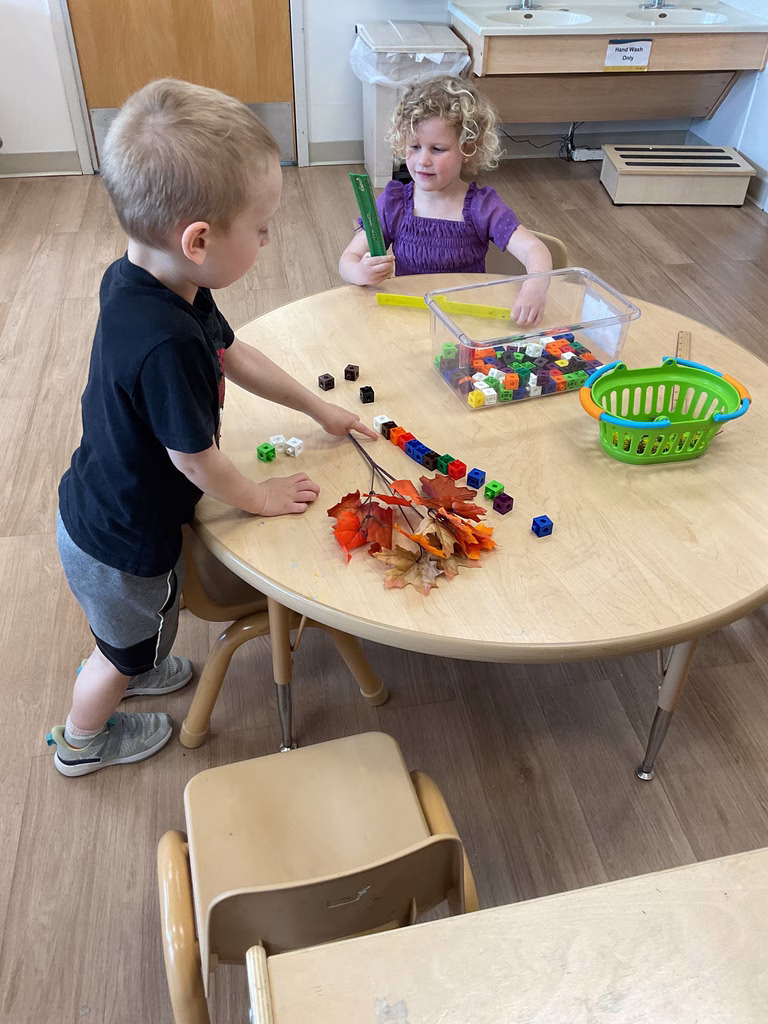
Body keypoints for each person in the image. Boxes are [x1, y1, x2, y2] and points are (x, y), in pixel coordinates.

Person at [47, 79, 377, 777]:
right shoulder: (166, 343)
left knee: (135, 637)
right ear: (197, 239)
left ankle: (140, 659)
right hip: (121, 543)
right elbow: (196, 461)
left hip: (100, 506)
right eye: (262, 228)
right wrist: (260, 497)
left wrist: (316, 407)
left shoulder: (149, 278)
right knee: (117, 653)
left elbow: (231, 351)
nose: (268, 238)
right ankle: (82, 740)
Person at [339, 75, 553, 325]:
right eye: (414, 146)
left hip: (465, 321)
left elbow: (534, 248)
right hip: (409, 317)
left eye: (437, 149)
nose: (423, 160)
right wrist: (360, 272)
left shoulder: (482, 206)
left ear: (468, 148)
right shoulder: (394, 203)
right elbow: (348, 259)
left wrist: (536, 286)